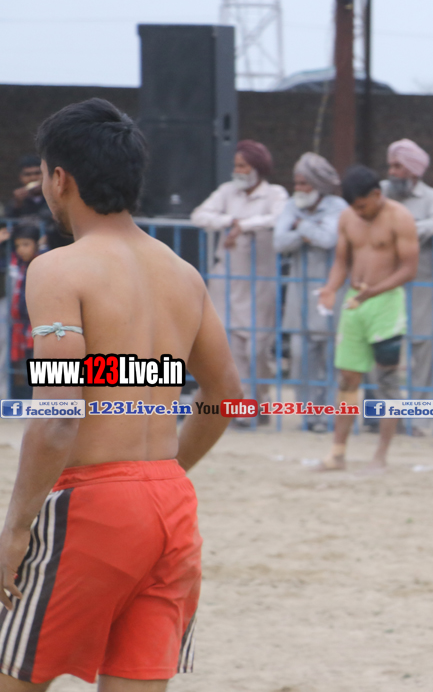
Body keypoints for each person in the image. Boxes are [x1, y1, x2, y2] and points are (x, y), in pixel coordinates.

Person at [0, 97, 240, 689]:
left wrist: (15, 527)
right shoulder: (182, 273)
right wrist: (159, 474)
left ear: (60, 179)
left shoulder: (59, 269)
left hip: (93, 505)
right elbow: (225, 395)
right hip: (170, 505)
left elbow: (60, 414)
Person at [316, 165, 419, 473]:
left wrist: (374, 291)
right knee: (347, 378)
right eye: (355, 207)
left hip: (385, 303)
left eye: (362, 206)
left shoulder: (400, 217)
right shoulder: (348, 218)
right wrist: (330, 288)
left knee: (386, 381)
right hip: (354, 301)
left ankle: (381, 455)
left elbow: (408, 269)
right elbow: (341, 261)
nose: (359, 213)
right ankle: (337, 453)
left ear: (376, 194)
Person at [191, 139, 287, 424]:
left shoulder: (275, 194)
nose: (238, 171)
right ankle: (242, 409)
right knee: (231, 348)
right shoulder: (227, 192)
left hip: (260, 282)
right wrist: (229, 221)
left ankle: (260, 401)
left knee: (257, 348)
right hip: (227, 280)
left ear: (257, 168)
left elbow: (278, 218)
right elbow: (199, 215)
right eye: (236, 166)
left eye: (243, 166)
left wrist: (244, 226)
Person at [273, 152, 346, 433]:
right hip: (299, 293)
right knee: (300, 355)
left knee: (330, 357)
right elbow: (280, 242)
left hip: (329, 291)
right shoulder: (292, 205)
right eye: (297, 183)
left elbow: (328, 239)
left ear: (319, 185)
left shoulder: (337, 207)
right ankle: (307, 414)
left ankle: (327, 414)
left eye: (305, 183)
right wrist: (307, 232)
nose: (299, 189)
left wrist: (300, 227)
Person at [382, 139, 433, 424]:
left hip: (421, 283)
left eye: (397, 166)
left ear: (413, 170)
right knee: (384, 347)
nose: (392, 172)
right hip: (385, 282)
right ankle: (387, 417)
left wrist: (406, 230)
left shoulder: (432, 197)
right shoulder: (382, 192)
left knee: (423, 348)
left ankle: (421, 420)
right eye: (390, 166)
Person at [4, 154, 71, 251]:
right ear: (20, 177)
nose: (33, 178)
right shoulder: (15, 203)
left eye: (37, 173)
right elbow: (7, 227)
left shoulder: (57, 199)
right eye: (28, 174)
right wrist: (16, 204)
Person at [7, 224, 40, 400]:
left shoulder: (42, 264)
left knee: (37, 369)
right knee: (23, 369)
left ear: (37, 243)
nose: (21, 249)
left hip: (36, 325)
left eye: (26, 244)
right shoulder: (17, 264)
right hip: (20, 326)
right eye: (18, 245)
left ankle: (36, 404)